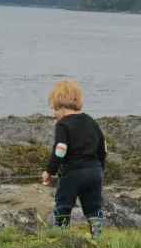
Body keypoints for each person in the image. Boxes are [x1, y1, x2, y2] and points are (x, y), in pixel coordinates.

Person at [42, 79, 107, 238]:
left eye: (53, 109)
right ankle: (97, 236)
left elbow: (61, 150)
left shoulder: (63, 125)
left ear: (58, 104)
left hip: (73, 173)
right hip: (94, 171)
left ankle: (61, 235)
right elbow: (103, 147)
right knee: (93, 206)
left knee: (63, 204)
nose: (53, 114)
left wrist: (49, 171)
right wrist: (100, 168)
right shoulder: (91, 121)